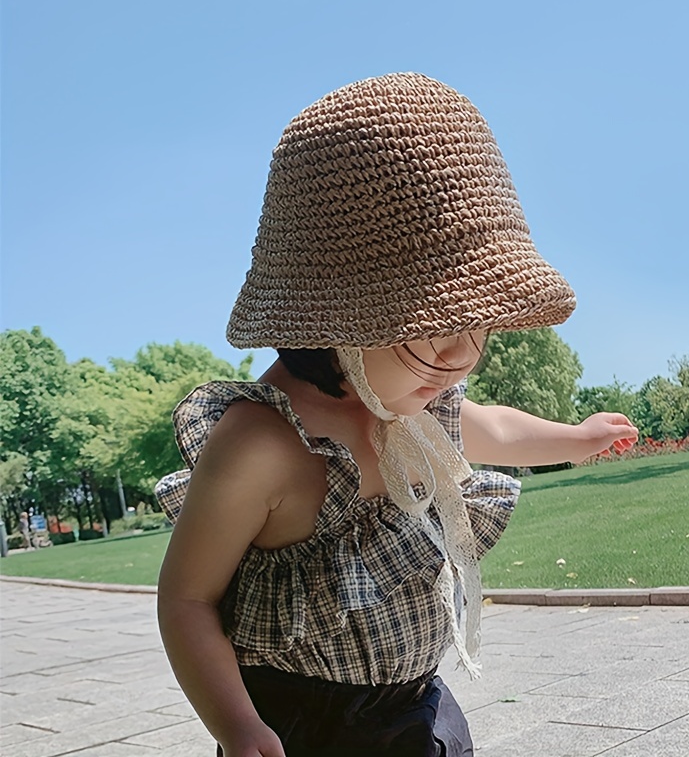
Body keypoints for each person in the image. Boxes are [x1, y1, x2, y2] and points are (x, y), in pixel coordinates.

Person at [155, 73, 638, 757]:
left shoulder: (413, 408)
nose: (461, 354)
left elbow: (492, 427)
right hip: (301, 722)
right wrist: (237, 728)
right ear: (333, 315)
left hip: (418, 708)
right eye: (430, 326)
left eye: (479, 325)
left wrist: (576, 439)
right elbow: (187, 601)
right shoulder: (262, 446)